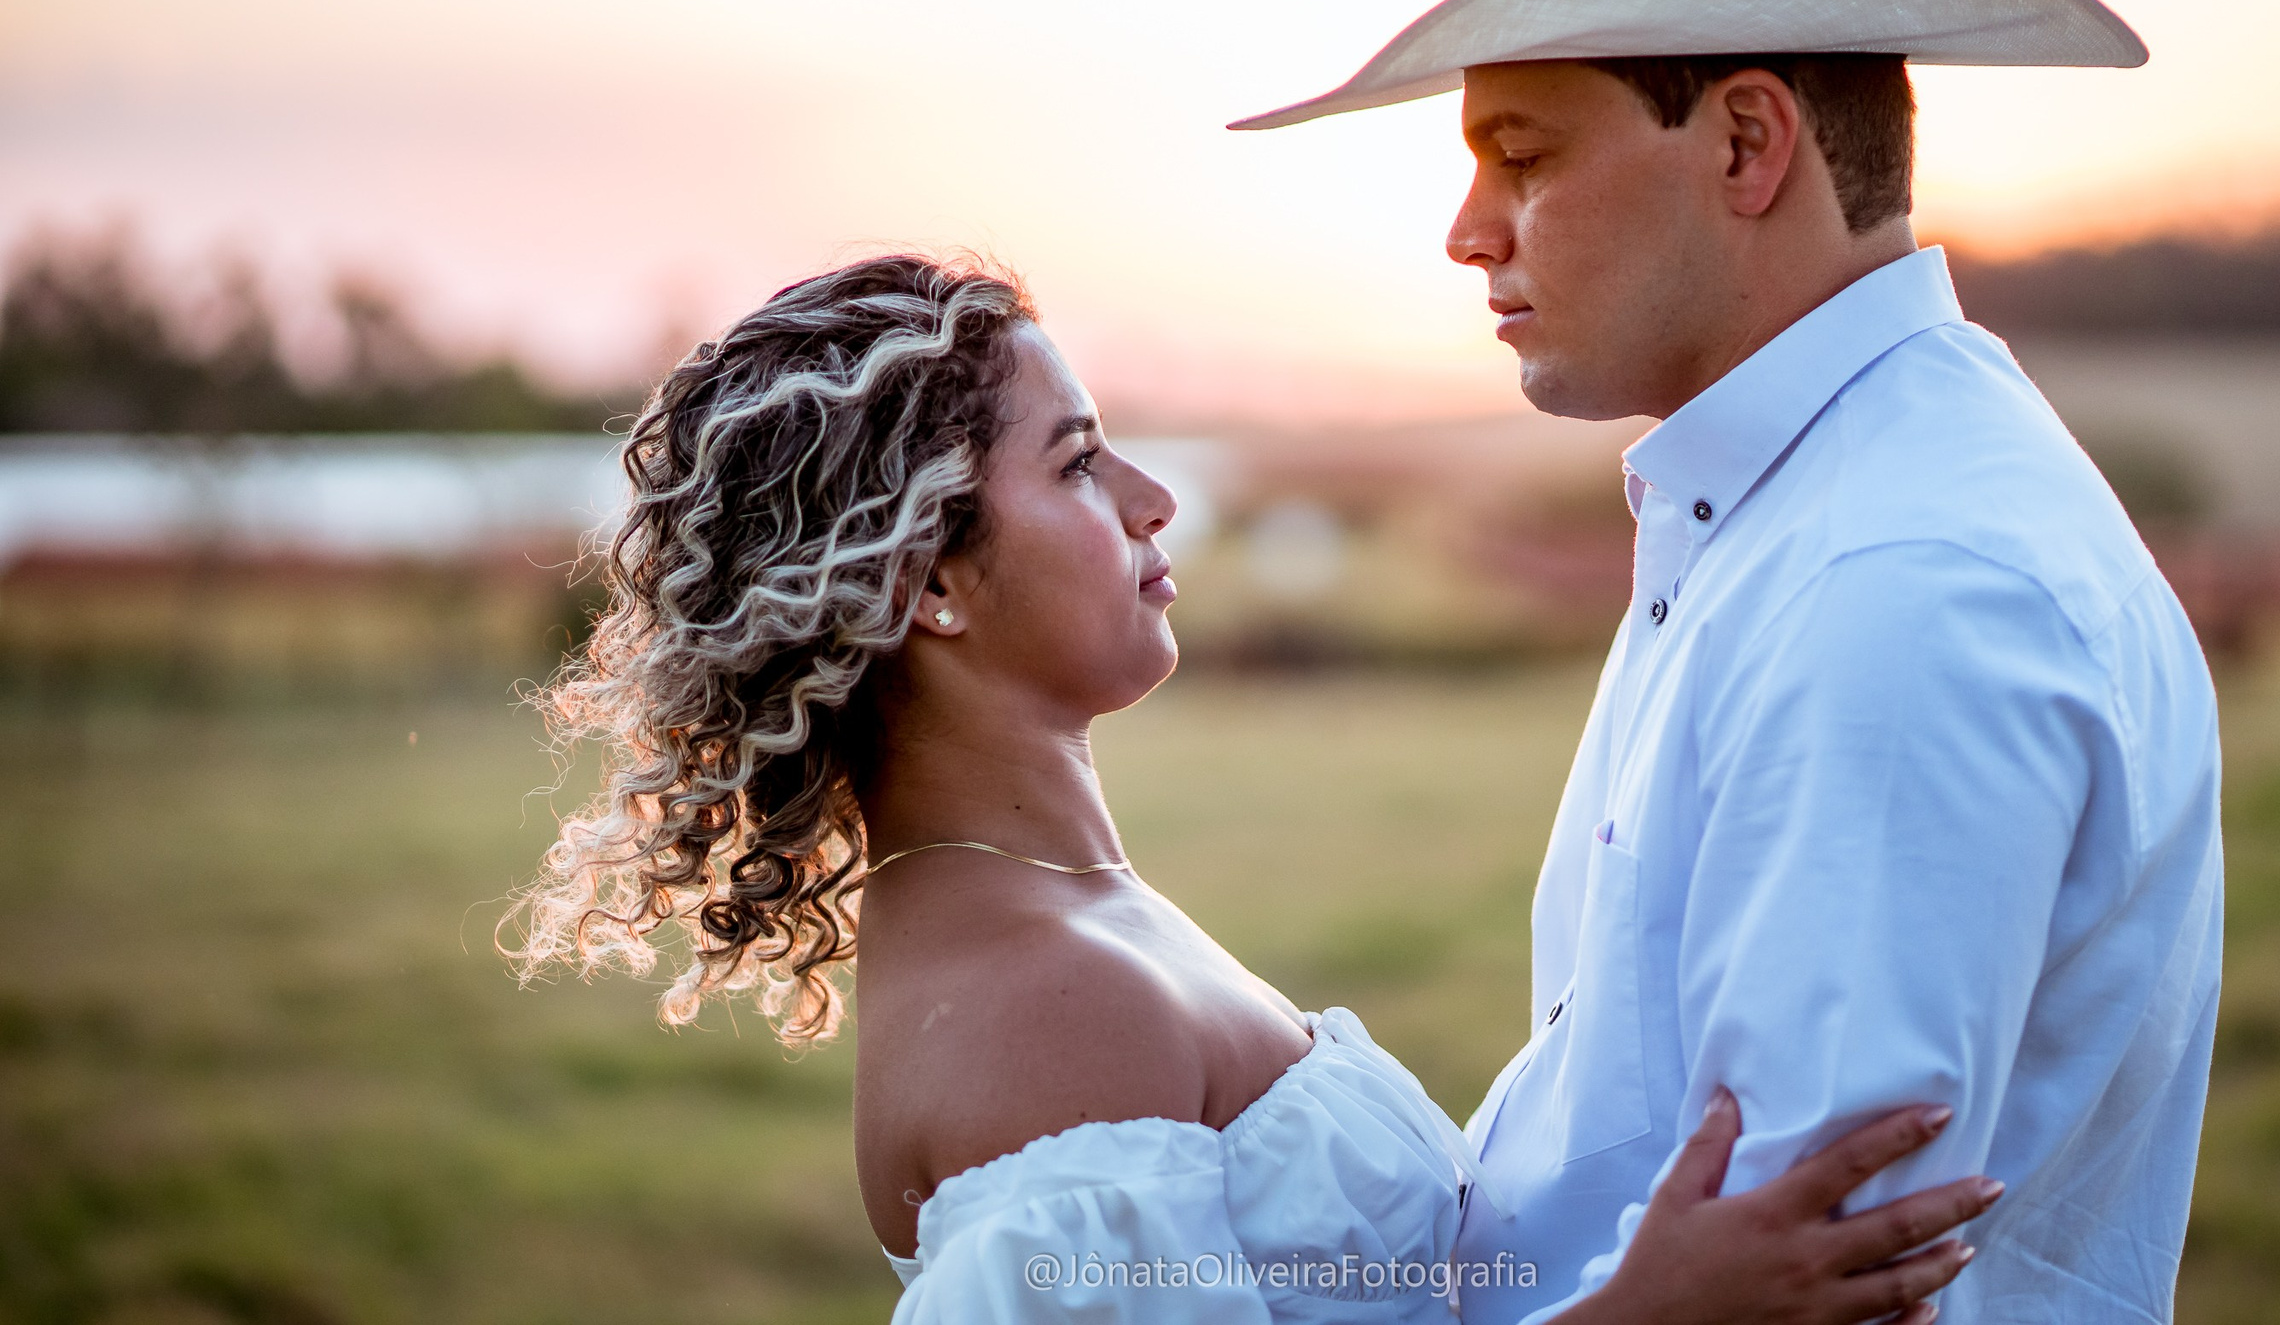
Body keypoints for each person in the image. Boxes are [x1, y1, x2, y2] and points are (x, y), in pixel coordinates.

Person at [507, 256, 1999, 1324]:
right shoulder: (1041, 1013)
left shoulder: (1065, 920)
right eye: (1080, 464)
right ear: (935, 580)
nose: (1155, 501)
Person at [1232, 0, 2225, 1325]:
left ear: (1749, 144)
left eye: (1527, 153)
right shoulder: (1810, 514)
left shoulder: (1893, 594)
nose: (1466, 227)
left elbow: (1811, 1295)